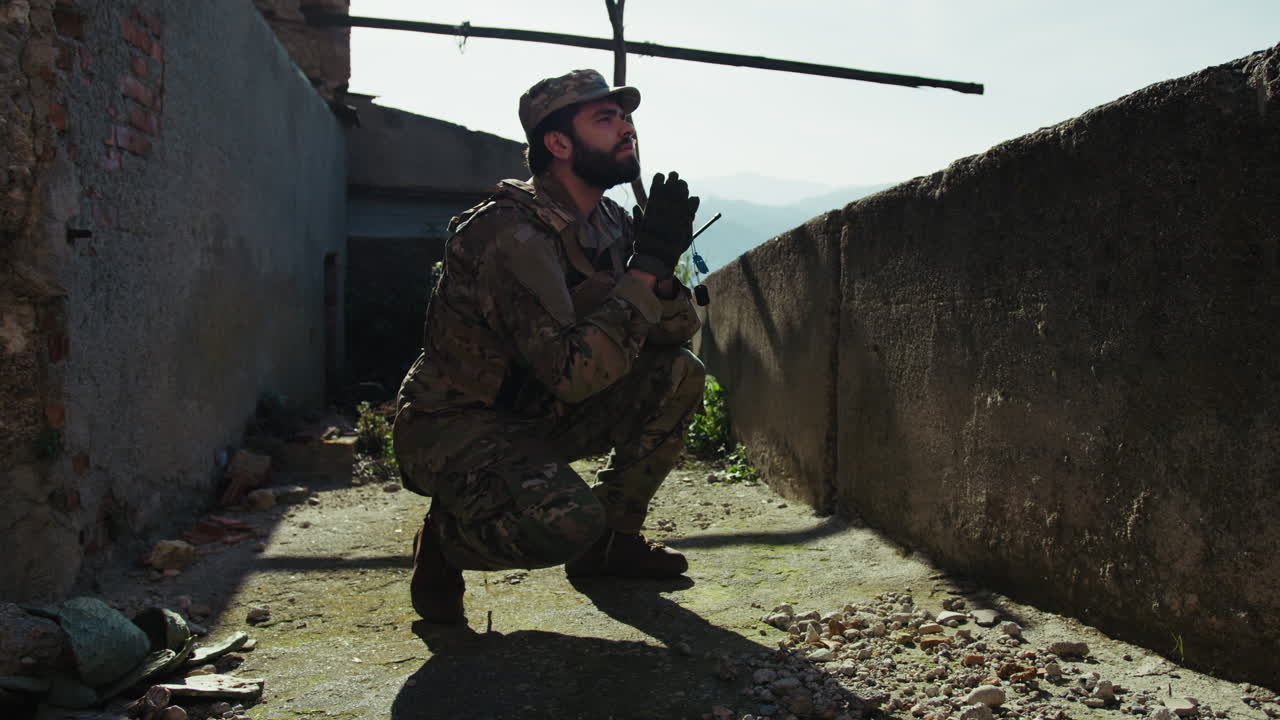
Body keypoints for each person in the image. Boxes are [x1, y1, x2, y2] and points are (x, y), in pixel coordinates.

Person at [393, 68, 707, 623]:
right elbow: (574, 375)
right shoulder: (509, 235)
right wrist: (642, 274)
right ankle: (448, 539)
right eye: (605, 119)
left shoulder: (610, 223)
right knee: (564, 522)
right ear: (558, 143)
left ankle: (609, 544)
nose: (627, 128)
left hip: (539, 411)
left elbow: (676, 332)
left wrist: (656, 274)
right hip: (459, 427)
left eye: (626, 117)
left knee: (678, 372)